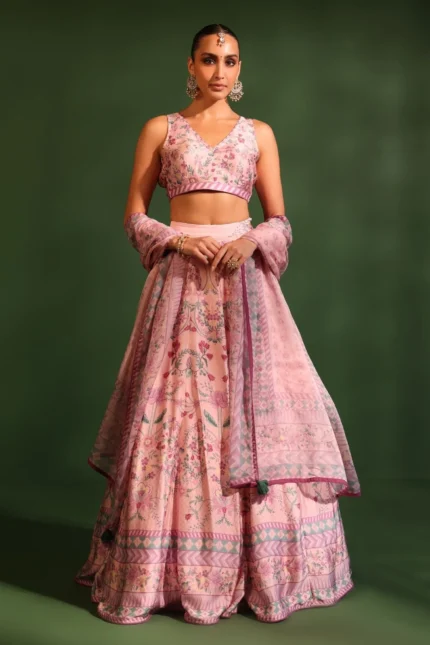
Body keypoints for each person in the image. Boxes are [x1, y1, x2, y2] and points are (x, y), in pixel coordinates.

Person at [75, 23, 361, 626]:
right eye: (209, 59)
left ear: (240, 68)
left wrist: (251, 240)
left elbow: (280, 220)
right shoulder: (161, 129)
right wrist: (177, 239)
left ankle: (264, 569)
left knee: (251, 410)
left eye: (230, 61)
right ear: (191, 65)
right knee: (170, 413)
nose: (220, 71)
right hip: (179, 284)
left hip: (243, 283)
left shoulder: (259, 134)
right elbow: (134, 214)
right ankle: (161, 569)